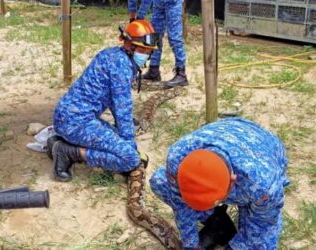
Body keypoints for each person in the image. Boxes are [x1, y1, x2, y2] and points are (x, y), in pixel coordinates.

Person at [149, 118, 290, 249]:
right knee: (160, 182)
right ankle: (218, 224)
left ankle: (237, 221)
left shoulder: (263, 185)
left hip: (263, 146)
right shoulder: (177, 158)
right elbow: (181, 205)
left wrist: (236, 247)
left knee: (261, 242)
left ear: (233, 180)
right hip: (225, 131)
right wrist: (191, 244)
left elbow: (262, 224)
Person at [48, 20, 158, 182]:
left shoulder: (112, 54)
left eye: (148, 51)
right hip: (76, 122)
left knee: (120, 144)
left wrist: (124, 137)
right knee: (130, 159)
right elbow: (123, 108)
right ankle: (67, 152)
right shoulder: (121, 67)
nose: (145, 55)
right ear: (128, 45)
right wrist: (129, 146)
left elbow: (114, 102)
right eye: (142, 49)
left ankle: (60, 142)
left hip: (70, 117)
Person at [128, 0, 188, 88]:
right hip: (158, 3)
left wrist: (139, 17)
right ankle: (154, 70)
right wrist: (133, 19)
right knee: (154, 36)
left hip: (172, 2)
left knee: (174, 37)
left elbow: (146, 1)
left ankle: (181, 73)